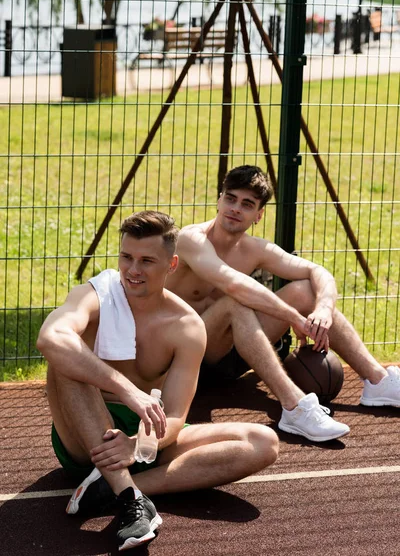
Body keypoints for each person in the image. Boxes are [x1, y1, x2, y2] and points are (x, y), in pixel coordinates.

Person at [37, 210, 279, 552]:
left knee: (262, 441)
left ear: (172, 264)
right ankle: (129, 500)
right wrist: (129, 391)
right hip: (84, 431)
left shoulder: (187, 326)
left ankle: (116, 487)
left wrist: (135, 445)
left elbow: (176, 416)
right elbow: (50, 338)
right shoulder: (95, 295)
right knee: (66, 358)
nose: (133, 270)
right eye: (126, 257)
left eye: (147, 260)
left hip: (146, 436)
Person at [165, 165, 400, 443]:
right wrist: (295, 319)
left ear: (258, 215)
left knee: (305, 291)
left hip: (230, 353)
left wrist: (322, 309)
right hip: (181, 356)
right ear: (219, 200)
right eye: (230, 198)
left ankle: (378, 382)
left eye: (247, 204)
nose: (235, 208)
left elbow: (318, 272)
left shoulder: (255, 250)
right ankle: (295, 407)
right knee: (234, 302)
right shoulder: (192, 240)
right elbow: (233, 284)